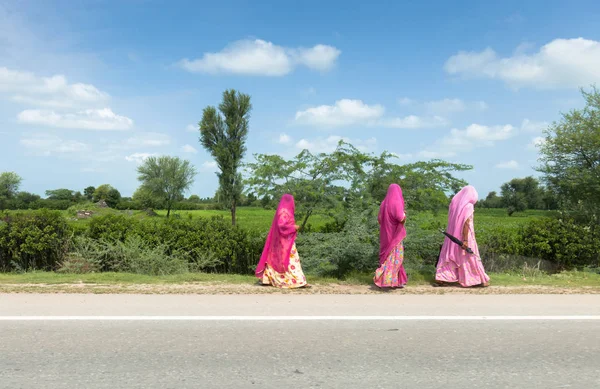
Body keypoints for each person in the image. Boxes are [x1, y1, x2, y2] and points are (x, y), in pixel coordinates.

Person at [435, 185, 490, 287]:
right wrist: (465, 239)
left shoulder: (454, 206)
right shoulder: (468, 206)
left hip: (452, 238)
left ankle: (443, 277)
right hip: (465, 236)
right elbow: (466, 223)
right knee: (469, 256)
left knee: (450, 256)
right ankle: (476, 279)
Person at [255, 194, 310, 288]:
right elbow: (281, 226)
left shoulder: (284, 211)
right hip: (284, 242)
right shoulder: (284, 212)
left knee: (276, 258)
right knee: (291, 260)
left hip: (283, 241)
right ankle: (299, 281)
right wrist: (293, 227)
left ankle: (267, 279)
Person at [374, 183, 407, 288]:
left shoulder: (384, 203)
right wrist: (404, 214)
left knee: (387, 256)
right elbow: (400, 217)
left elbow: (379, 219)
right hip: (395, 235)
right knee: (396, 257)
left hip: (385, 235)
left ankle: (396, 281)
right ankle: (386, 280)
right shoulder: (396, 202)